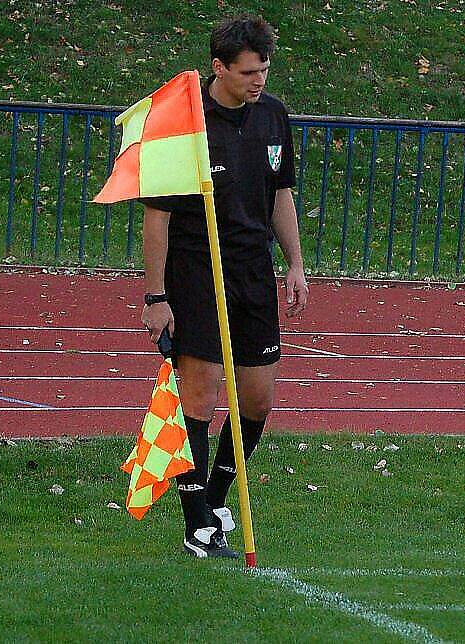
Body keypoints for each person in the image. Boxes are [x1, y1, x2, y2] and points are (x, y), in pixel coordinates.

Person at [139, 15, 308, 558]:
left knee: (258, 398)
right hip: (196, 268)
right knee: (203, 388)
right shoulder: (183, 122)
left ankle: (213, 497)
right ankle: (196, 525)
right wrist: (155, 295)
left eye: (264, 70)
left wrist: (296, 264)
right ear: (219, 67)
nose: (259, 80)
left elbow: (281, 194)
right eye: (248, 72)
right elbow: (157, 215)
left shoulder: (274, 117)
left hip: (253, 271)